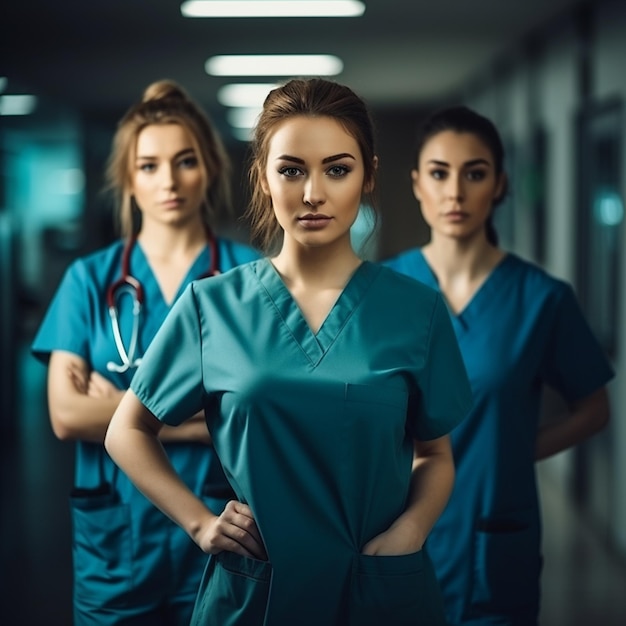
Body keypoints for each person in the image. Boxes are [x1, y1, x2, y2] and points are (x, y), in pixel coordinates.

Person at [104, 77, 473, 626]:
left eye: (338, 169)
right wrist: (200, 523)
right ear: (263, 177)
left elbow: (435, 456)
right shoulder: (213, 306)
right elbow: (126, 431)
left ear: (368, 174)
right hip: (255, 593)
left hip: (376, 589)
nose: (312, 193)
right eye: (292, 169)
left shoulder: (415, 310)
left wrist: (411, 530)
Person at [31, 79, 260, 625]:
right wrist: (197, 417)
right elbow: (65, 415)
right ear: (128, 179)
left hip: (219, 527)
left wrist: (130, 415)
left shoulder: (249, 279)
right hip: (117, 545)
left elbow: (262, 411)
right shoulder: (89, 280)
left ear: (208, 168)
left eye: (185, 161)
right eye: (150, 165)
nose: (169, 181)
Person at [383, 105, 614, 625]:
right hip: (395, 526)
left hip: (494, 533)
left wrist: (510, 452)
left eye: (475, 173)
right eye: (439, 174)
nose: (455, 193)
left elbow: (594, 409)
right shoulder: (378, 291)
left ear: (501, 184)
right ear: (417, 183)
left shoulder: (542, 299)